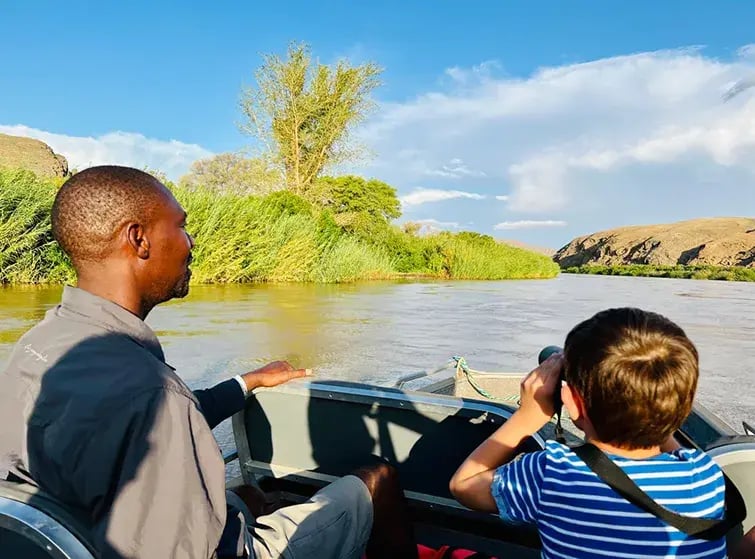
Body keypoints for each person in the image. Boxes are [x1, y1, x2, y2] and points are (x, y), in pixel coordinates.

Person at [0, 166, 417, 559]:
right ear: (138, 239)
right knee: (378, 481)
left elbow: (132, 421)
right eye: (180, 226)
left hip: (86, 535)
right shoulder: (154, 390)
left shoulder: (42, 342)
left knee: (250, 497)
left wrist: (246, 383)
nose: (191, 242)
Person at [449, 307, 728, 558]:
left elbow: (463, 486)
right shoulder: (706, 476)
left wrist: (527, 416)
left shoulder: (554, 472)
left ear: (572, 401)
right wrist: (655, 412)